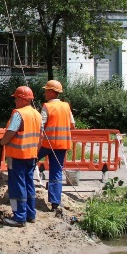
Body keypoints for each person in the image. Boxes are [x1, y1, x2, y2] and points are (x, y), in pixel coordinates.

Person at [0, 86, 42, 227]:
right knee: (29, 184)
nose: (15, 100)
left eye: (16, 98)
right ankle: (30, 214)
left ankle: (19, 217)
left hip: (18, 156)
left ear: (22, 99)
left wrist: (1, 142)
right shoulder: (37, 114)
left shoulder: (19, 114)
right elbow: (40, 137)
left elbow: (11, 132)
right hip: (31, 155)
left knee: (17, 186)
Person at [37, 79, 75, 216]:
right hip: (63, 144)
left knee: (29, 161)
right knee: (56, 173)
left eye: (46, 90)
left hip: (48, 144)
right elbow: (72, 125)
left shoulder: (47, 106)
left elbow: (40, 126)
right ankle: (54, 203)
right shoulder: (66, 106)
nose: (45, 93)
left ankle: (25, 190)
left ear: (52, 92)